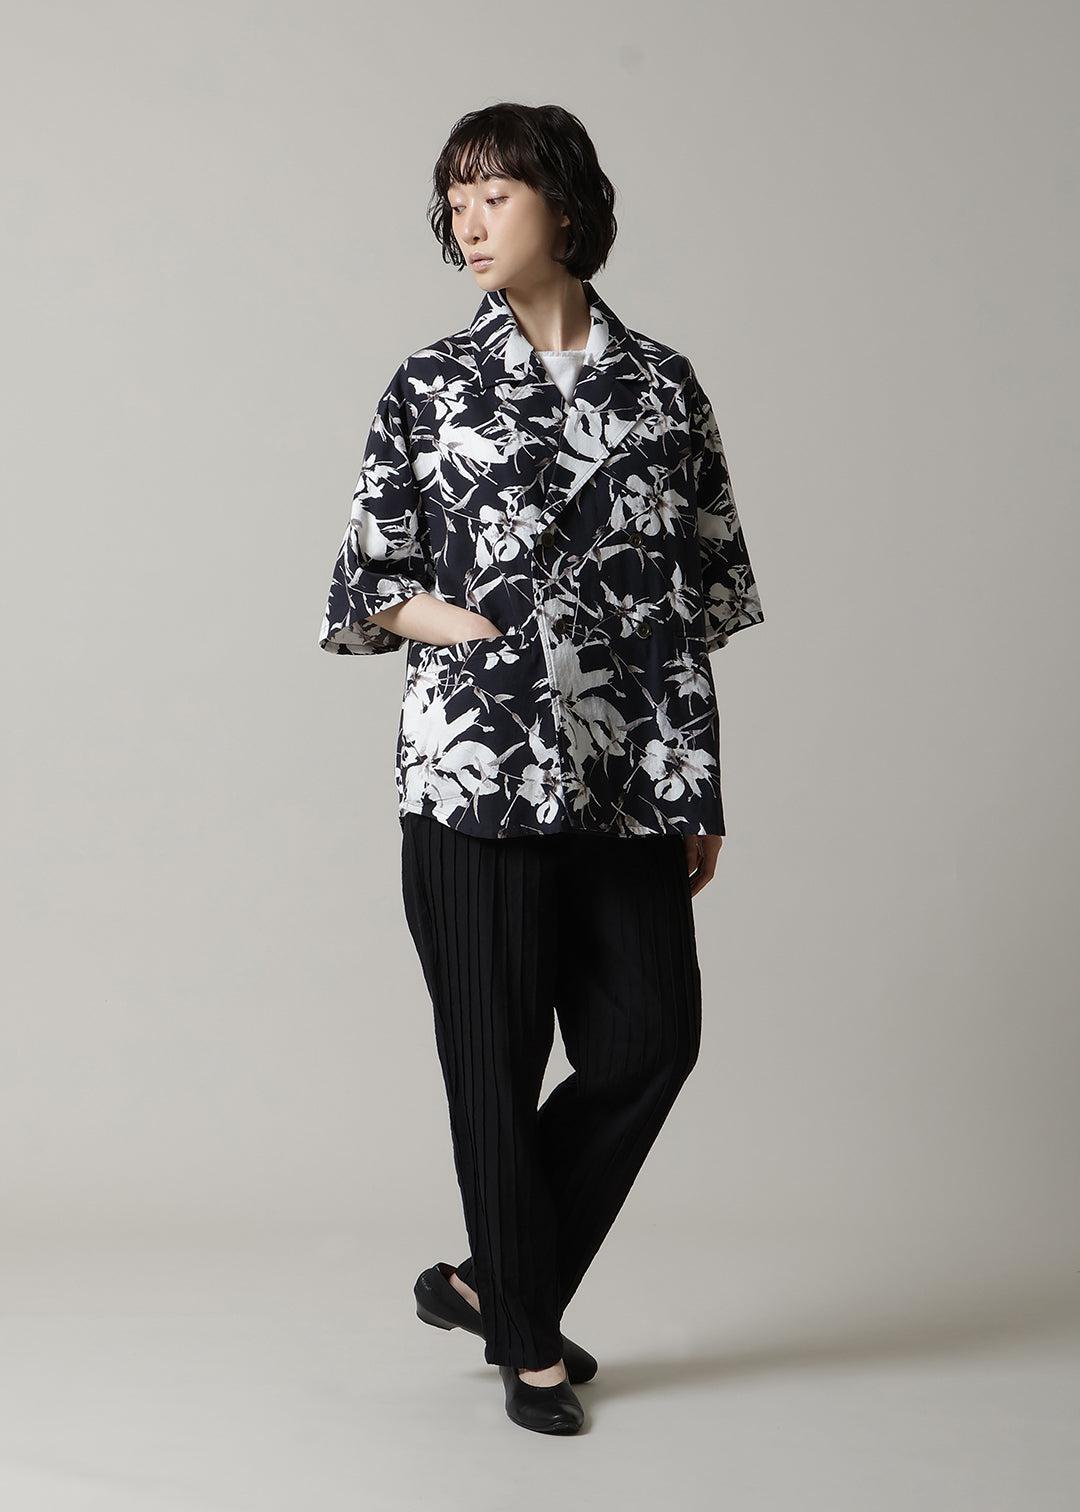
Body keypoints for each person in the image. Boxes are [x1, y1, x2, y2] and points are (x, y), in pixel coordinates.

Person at [318, 102, 764, 1436]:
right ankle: (528, 1344)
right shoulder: (430, 385)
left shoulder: (664, 385)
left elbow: (700, 591)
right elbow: (368, 580)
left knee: (650, 1042)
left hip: (629, 780)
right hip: (478, 776)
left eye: (494, 194)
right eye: (454, 199)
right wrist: (464, 630)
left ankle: (487, 1282)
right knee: (495, 1067)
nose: (467, 221)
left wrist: (694, 788)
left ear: (564, 207)